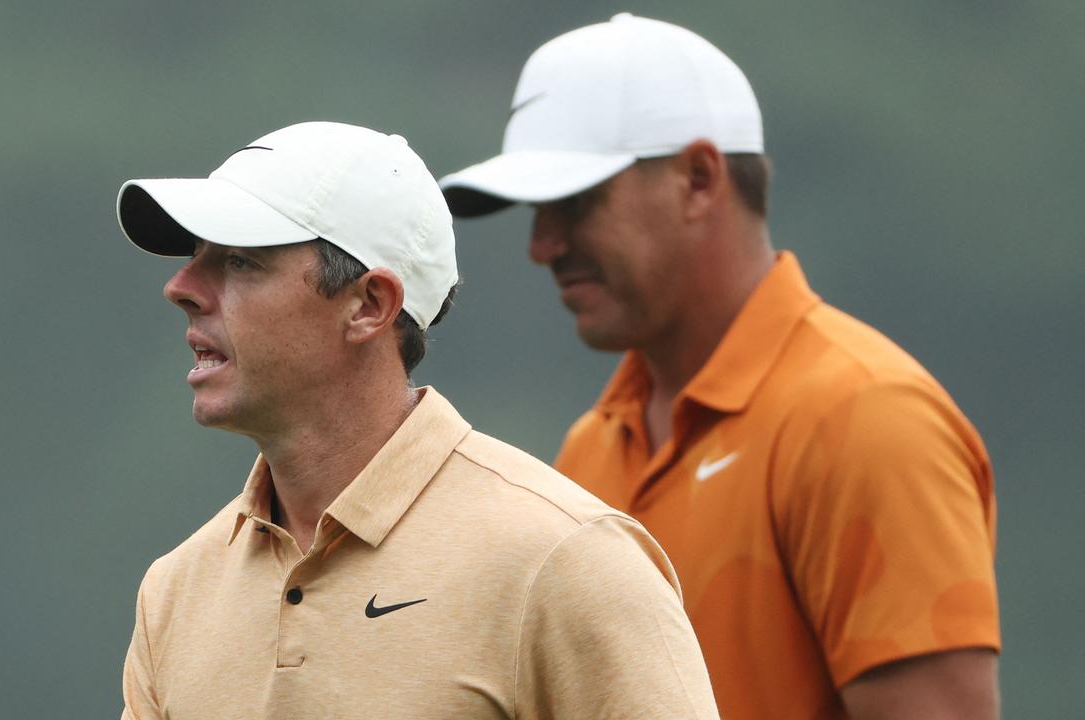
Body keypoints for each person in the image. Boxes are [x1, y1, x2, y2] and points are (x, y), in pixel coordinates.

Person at [439, 14, 1000, 720]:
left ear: (699, 180)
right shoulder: (593, 449)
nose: (542, 244)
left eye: (574, 202)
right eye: (537, 211)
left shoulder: (869, 420)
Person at [114, 121, 719, 719]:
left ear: (370, 306)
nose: (181, 286)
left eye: (241, 262)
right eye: (196, 256)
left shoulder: (565, 560)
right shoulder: (174, 592)